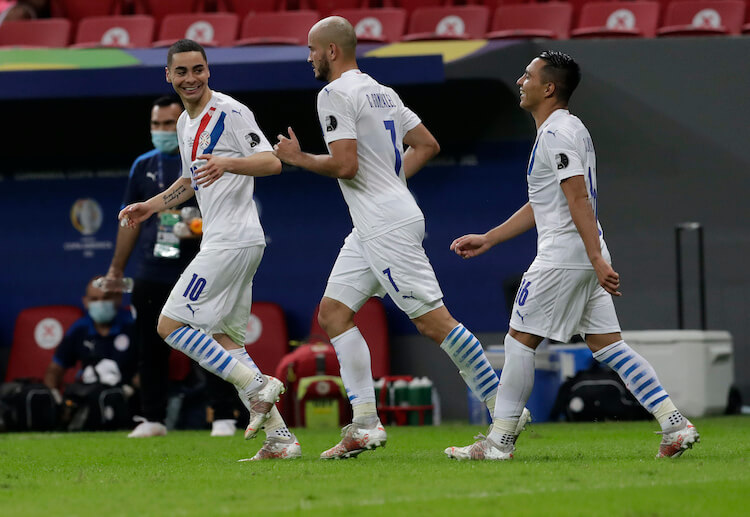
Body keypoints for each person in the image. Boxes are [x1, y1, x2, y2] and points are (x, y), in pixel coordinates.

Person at [272, 16, 529, 460]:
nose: (309, 57)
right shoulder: (382, 91)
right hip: (377, 220)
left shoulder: (333, 93)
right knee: (333, 314)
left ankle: (502, 406)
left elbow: (345, 165)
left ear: (332, 51)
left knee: (432, 321)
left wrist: (299, 158)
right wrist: (390, 183)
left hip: (385, 224)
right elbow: (426, 144)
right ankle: (366, 425)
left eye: (313, 49)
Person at [446, 51, 700, 460]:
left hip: (565, 255)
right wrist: (491, 238)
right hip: (581, 251)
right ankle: (674, 424)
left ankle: (499, 443)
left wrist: (596, 258)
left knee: (519, 341)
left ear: (548, 87)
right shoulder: (568, 129)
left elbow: (577, 195)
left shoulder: (557, 133)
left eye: (527, 76)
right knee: (609, 346)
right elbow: (545, 202)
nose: (520, 81)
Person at [118, 39, 299, 461]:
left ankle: (257, 389)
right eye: (181, 71)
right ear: (169, 75)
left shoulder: (231, 111)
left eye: (197, 69)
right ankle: (281, 439)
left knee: (170, 325)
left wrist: (228, 162)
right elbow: (189, 182)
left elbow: (272, 162)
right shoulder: (183, 123)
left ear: (208, 70)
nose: (190, 78)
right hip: (230, 240)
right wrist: (150, 205)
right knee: (225, 339)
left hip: (233, 240)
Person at [104, 96, 240, 438]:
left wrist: (195, 225)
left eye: (169, 124)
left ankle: (223, 414)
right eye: (157, 124)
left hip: (199, 263)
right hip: (152, 268)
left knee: (208, 337)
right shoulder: (142, 165)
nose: (163, 131)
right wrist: (116, 270)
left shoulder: (204, 160)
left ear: (182, 125)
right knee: (150, 347)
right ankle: (153, 418)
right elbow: (129, 220)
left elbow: (229, 209)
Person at [44, 276, 138, 424]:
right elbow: (54, 369)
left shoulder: (133, 325)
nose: (100, 304)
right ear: (85, 302)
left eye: (106, 298)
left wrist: (131, 388)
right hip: (89, 401)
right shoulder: (79, 328)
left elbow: (153, 366)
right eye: (94, 299)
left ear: (118, 298)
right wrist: (54, 394)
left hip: (130, 402)